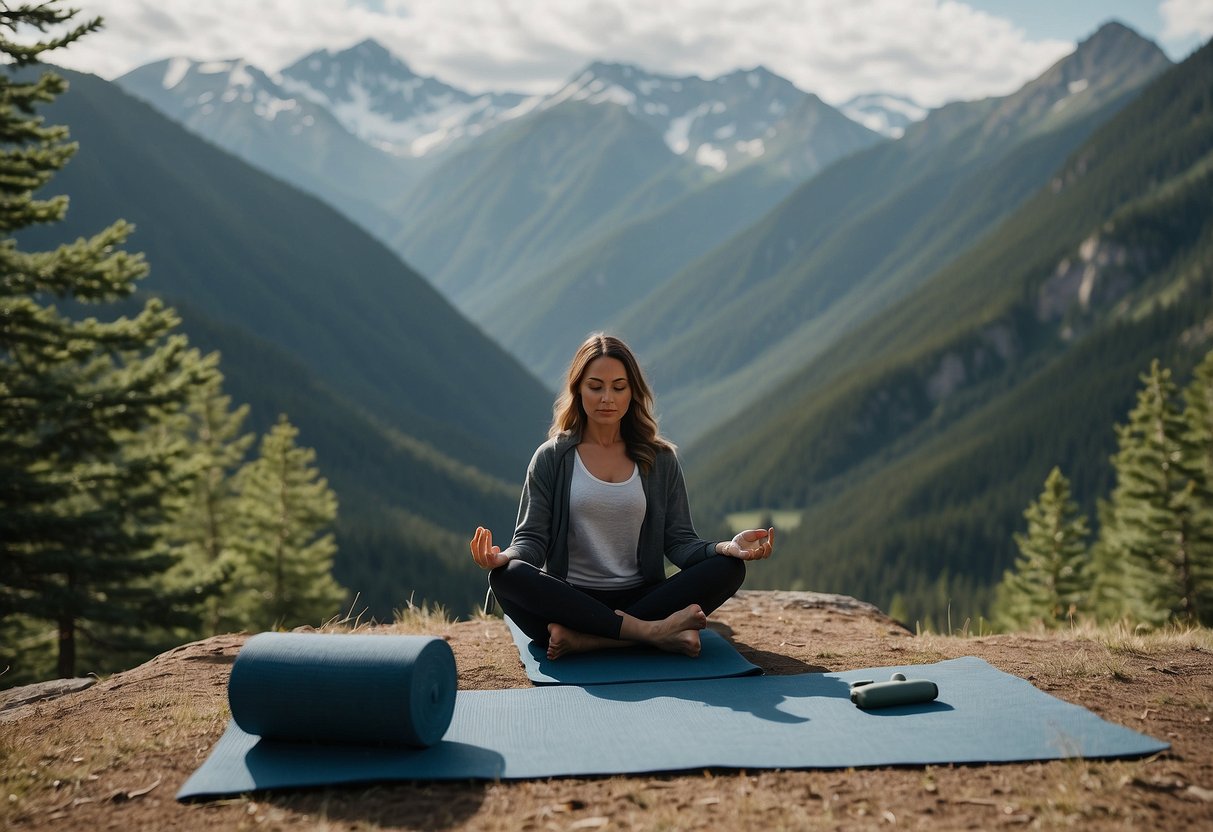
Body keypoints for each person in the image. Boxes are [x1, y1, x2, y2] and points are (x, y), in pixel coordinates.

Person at [470, 332, 774, 661]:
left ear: (633, 392)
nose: (607, 398)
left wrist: (726, 548)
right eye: (595, 386)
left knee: (729, 569)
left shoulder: (660, 460)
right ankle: (651, 633)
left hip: (643, 598)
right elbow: (531, 539)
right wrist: (505, 556)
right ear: (578, 389)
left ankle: (591, 640)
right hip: (572, 601)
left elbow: (680, 542)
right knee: (507, 576)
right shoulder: (551, 458)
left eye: (618, 387)